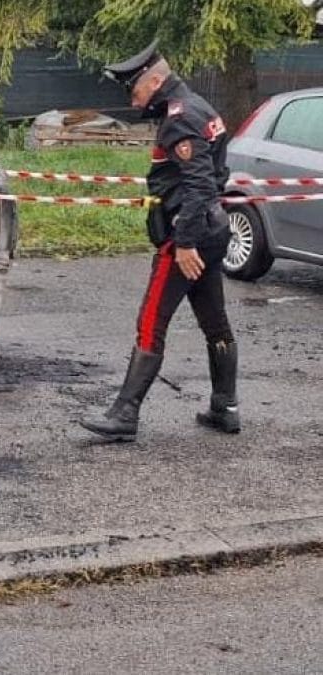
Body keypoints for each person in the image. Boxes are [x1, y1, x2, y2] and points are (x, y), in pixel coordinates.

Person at [79, 40, 240, 442]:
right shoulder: (198, 105)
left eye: (135, 92)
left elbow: (200, 183)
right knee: (215, 321)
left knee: (152, 321)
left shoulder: (179, 118)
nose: (134, 103)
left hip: (188, 233)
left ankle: (124, 415)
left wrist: (184, 243)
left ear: (155, 80)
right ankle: (226, 407)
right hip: (213, 228)